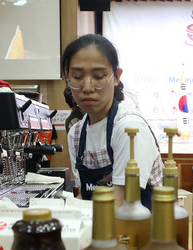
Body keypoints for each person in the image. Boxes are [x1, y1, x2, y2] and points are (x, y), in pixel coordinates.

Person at [62, 34, 163, 209]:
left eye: (98, 76)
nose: (87, 87)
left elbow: (121, 205)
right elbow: (84, 197)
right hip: (99, 223)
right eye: (77, 77)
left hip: (140, 224)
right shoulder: (76, 134)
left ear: (116, 77)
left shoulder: (129, 128)